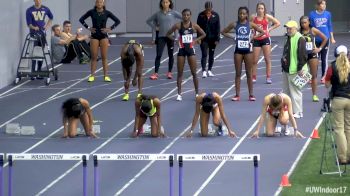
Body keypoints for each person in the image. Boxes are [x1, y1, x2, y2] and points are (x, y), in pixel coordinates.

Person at [221, 7, 265, 101]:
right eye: (240, 13)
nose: (242, 15)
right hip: (238, 51)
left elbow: (262, 32)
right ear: (238, 14)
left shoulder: (250, 24)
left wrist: (253, 37)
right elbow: (223, 32)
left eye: (244, 14)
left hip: (248, 51)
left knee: (249, 73)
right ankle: (237, 95)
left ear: (247, 15)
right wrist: (233, 37)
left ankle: (251, 95)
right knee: (238, 73)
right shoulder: (234, 24)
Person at [166, 9, 206, 101]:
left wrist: (195, 40)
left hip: (191, 50)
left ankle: (196, 93)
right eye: (184, 15)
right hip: (181, 51)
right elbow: (168, 34)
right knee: (180, 73)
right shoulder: (178, 25)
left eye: (188, 15)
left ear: (190, 15)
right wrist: (175, 40)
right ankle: (179, 94)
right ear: (182, 16)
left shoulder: (194, 25)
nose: (186, 17)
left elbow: (204, 34)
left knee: (194, 73)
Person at [79, 0, 120, 82]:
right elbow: (81, 19)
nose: (99, 3)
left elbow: (117, 21)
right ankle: (92, 76)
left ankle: (106, 76)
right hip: (94, 36)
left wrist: (109, 29)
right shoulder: (91, 12)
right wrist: (88, 28)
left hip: (103, 36)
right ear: (96, 3)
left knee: (104, 57)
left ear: (103, 3)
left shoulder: (107, 13)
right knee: (94, 57)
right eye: (98, 2)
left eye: (101, 2)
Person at [325, 45, 350, 164]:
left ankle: (343, 158)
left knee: (339, 129)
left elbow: (327, 84)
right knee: (348, 128)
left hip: (338, 99)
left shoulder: (332, 66)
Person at [147, 0, 182, 80]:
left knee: (170, 55)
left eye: (167, 2)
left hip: (171, 37)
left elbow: (183, 18)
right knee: (158, 55)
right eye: (163, 2)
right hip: (161, 37)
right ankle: (155, 73)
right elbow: (148, 21)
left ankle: (169, 73)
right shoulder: (158, 14)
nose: (165, 4)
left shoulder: (173, 13)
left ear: (169, 3)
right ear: (161, 4)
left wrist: (179, 28)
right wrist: (154, 27)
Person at [281, 20, 307, 119]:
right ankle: (288, 110)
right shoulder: (288, 37)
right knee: (286, 92)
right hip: (287, 69)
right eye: (287, 28)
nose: (288, 30)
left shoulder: (300, 38)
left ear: (295, 29)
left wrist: (300, 68)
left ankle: (299, 112)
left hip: (296, 70)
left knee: (296, 92)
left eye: (290, 28)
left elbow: (303, 55)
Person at [251, 2, 280, 84]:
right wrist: (251, 31)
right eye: (259, 8)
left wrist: (269, 29)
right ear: (257, 9)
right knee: (255, 60)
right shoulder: (253, 17)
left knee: (267, 59)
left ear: (264, 9)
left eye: (262, 8)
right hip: (256, 39)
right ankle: (254, 77)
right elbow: (248, 24)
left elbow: (278, 23)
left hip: (265, 39)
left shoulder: (267, 17)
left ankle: (268, 77)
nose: (260, 10)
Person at [299, 16, 327, 102]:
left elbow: (325, 38)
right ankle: (297, 95)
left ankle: (314, 95)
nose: (303, 24)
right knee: (300, 75)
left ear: (309, 23)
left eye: (305, 22)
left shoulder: (313, 30)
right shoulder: (298, 31)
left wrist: (319, 48)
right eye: (302, 23)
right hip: (302, 55)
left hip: (312, 54)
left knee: (313, 76)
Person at [309, 0, 336, 83]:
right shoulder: (312, 14)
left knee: (324, 59)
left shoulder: (328, 14)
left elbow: (329, 26)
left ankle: (324, 76)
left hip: (326, 39)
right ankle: (313, 76)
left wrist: (332, 37)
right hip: (315, 40)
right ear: (318, 5)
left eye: (325, 4)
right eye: (323, 4)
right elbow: (310, 26)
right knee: (314, 59)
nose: (324, 5)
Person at [26, 0, 53, 80]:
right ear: (34, 0)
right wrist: (34, 28)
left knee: (41, 52)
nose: (38, 1)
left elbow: (51, 17)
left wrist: (47, 26)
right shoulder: (29, 10)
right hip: (33, 34)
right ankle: (33, 72)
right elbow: (29, 24)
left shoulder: (45, 9)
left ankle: (39, 71)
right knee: (34, 52)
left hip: (42, 34)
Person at [197, 1, 221, 78]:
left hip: (213, 39)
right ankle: (204, 71)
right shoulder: (200, 15)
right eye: (207, 9)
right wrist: (198, 38)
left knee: (211, 55)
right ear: (205, 8)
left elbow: (218, 28)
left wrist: (217, 39)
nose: (208, 11)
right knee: (204, 54)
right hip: (203, 39)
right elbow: (198, 28)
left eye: (210, 9)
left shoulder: (216, 15)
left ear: (212, 8)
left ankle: (209, 70)